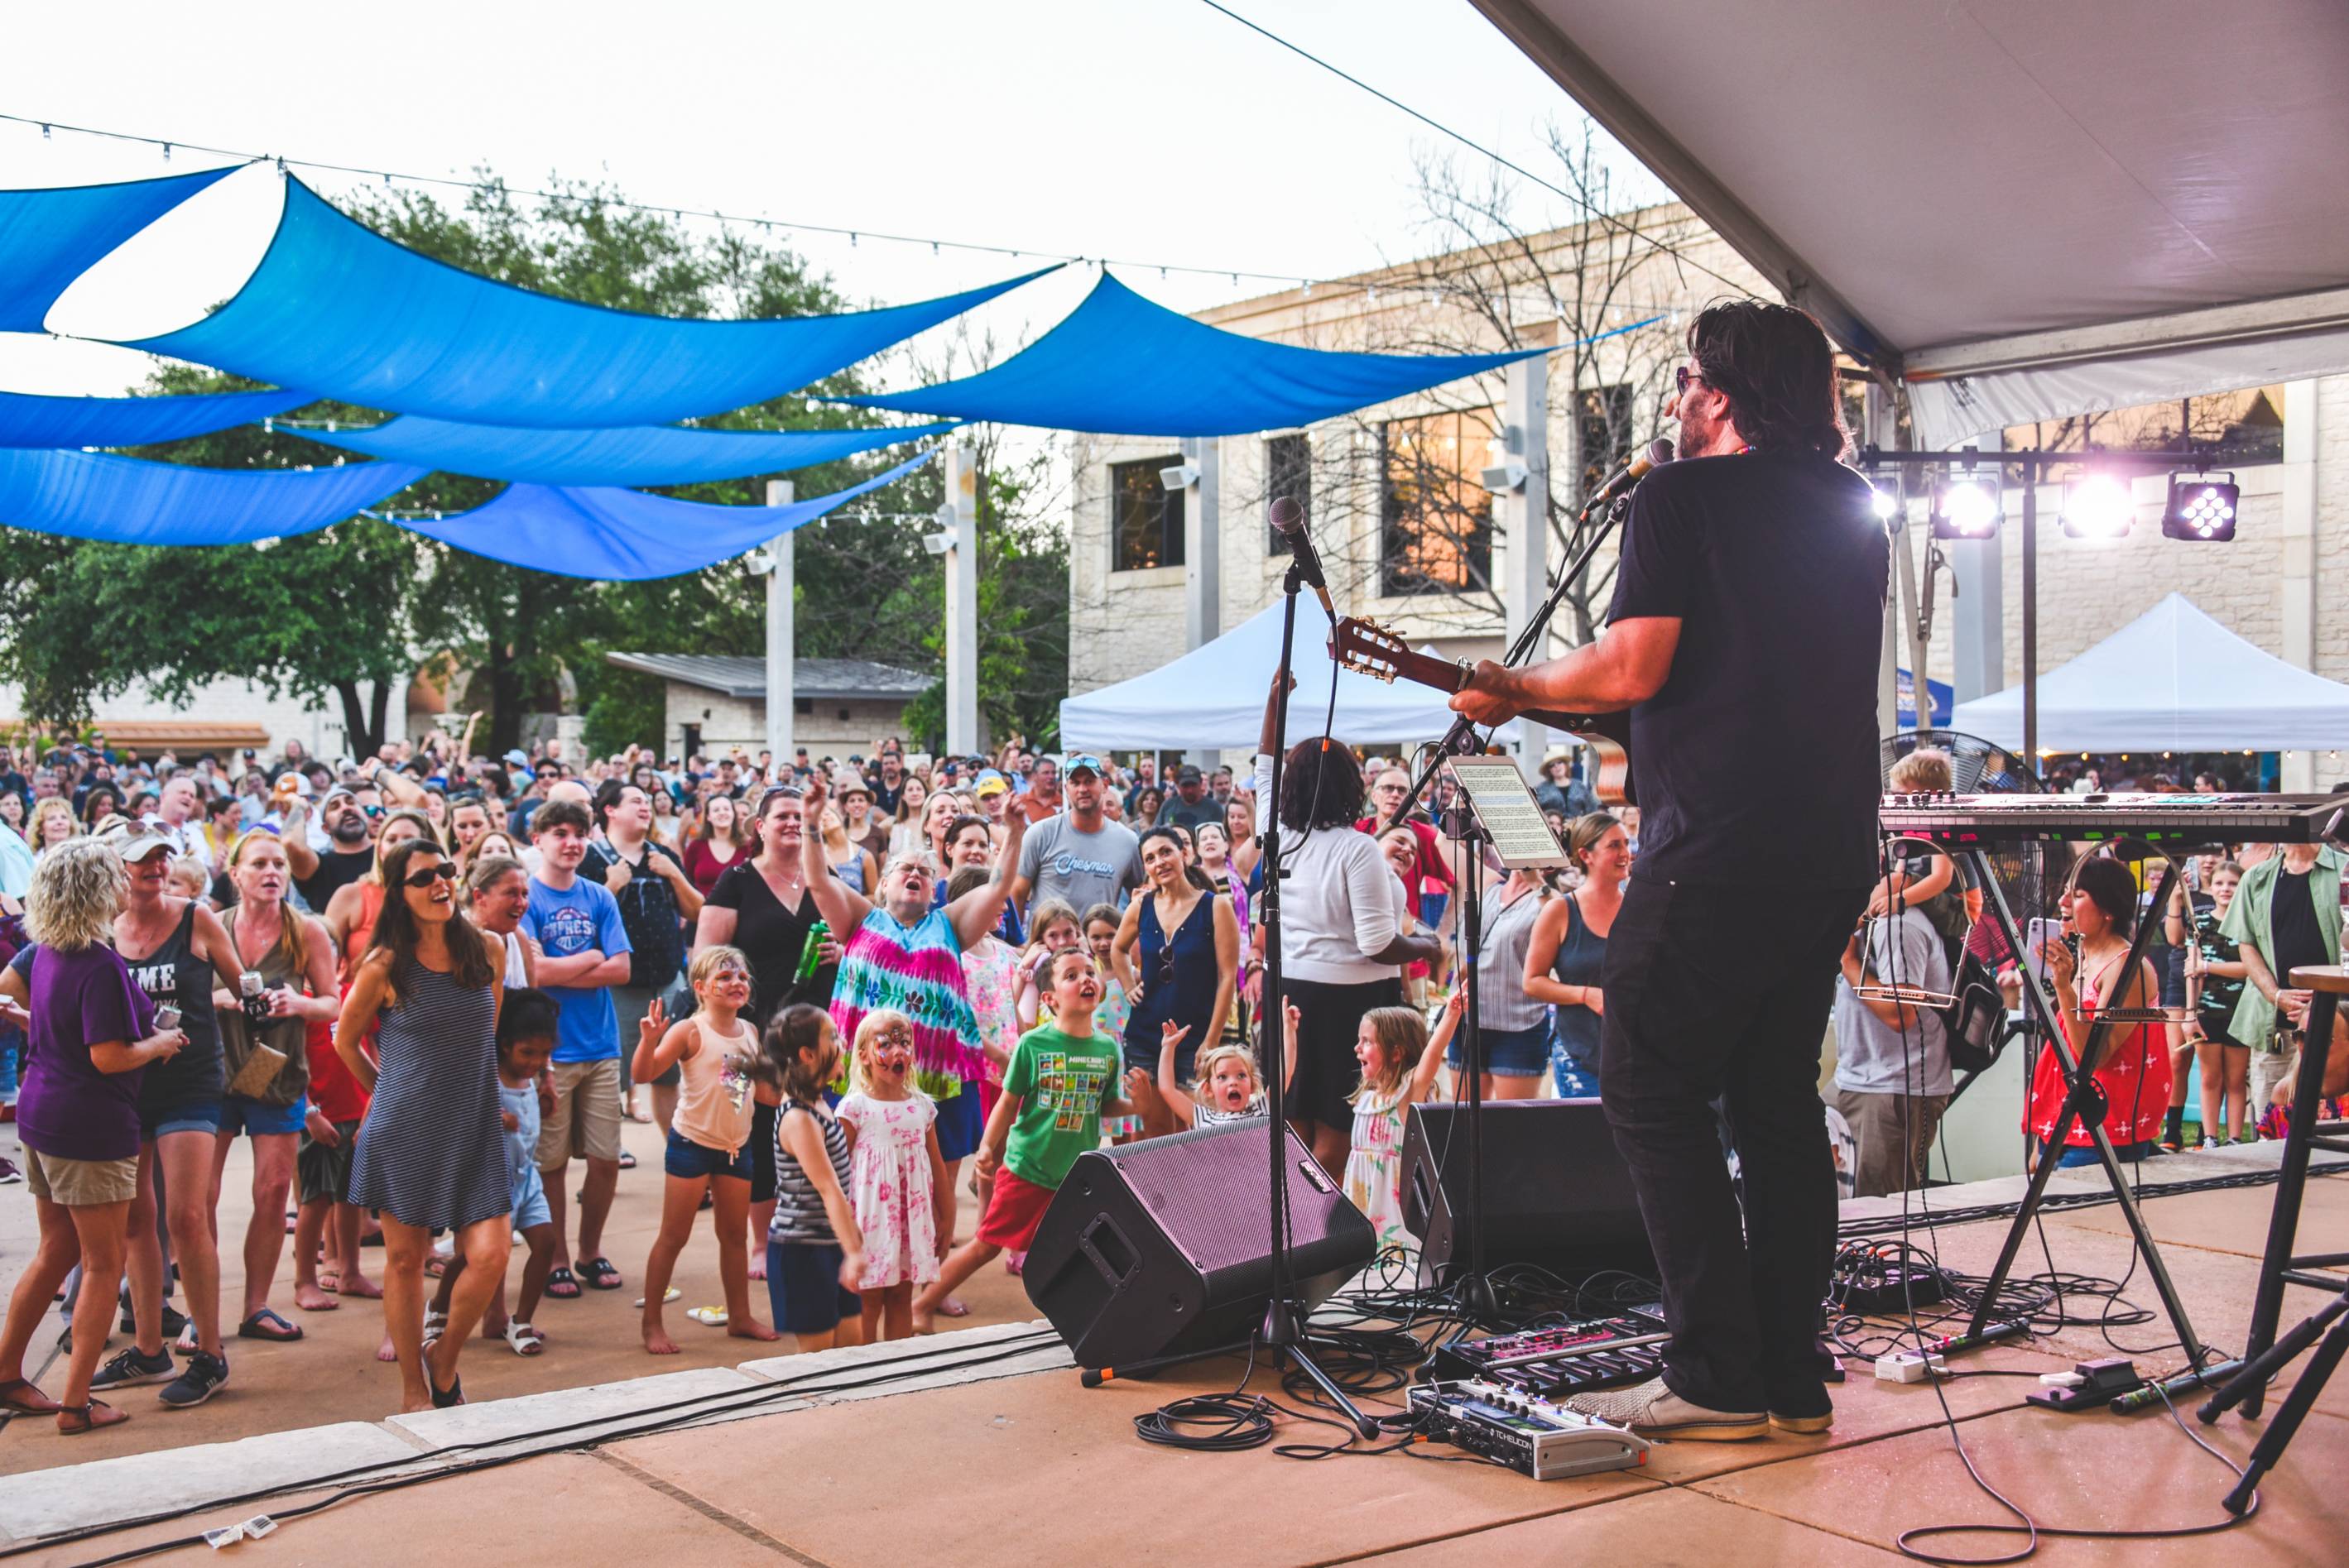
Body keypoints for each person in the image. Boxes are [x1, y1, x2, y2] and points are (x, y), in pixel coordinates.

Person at [1448, 300, 1886, 1441]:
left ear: (1723, 392)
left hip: (1720, 848)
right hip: (1828, 842)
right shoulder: (1849, 506)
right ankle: (1785, 1371)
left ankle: (1711, 1371)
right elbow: (1740, 678)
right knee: (1773, 1101)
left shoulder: (1680, 496)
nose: (1675, 394)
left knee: (1644, 1082)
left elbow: (1636, 661)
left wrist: (1521, 687)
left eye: (1688, 375)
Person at [0, 838, 185, 1435]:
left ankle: (7, 1371)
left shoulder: (46, 949)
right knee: (104, 1263)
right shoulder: (100, 962)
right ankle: (77, 1401)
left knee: (55, 1249)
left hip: (43, 1113)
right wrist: (160, 1043)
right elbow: (109, 1056)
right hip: (91, 1124)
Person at [799, 769, 1025, 1220]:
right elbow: (820, 881)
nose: (916, 875)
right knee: (859, 1175)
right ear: (883, 884)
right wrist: (810, 824)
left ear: (934, 886)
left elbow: (999, 884)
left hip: (937, 1070)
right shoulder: (860, 919)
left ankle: (929, 1281)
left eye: (924, 870)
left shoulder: (950, 922)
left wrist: (1016, 833)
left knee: (934, 1176)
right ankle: (861, 1267)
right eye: (905, 869)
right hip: (862, 1071)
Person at [335, 836, 510, 1412]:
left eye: (446, 871)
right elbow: (344, 1039)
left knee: (491, 1255)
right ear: (397, 892)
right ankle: (414, 1389)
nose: (440, 883)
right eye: (423, 877)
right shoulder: (384, 964)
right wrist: (385, 1090)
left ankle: (444, 1360)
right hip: (404, 1127)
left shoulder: (488, 948)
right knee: (406, 1261)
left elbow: (485, 1035)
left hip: (473, 1122)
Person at [1251, 676, 1439, 1175]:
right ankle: (1326, 1245)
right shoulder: (1356, 849)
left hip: (1288, 992)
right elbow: (1377, 943)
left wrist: (1274, 702)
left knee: (1292, 1122)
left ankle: (1293, 1241)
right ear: (1351, 788)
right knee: (1339, 1128)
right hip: (1349, 1002)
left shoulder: (1275, 832)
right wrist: (1429, 944)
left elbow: (1265, 766)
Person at [96, 819, 251, 1409]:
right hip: (127, 1083)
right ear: (118, 865)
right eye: (143, 859)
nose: (156, 867)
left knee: (187, 1216)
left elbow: (242, 984)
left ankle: (210, 1353)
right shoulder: (103, 928)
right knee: (137, 1218)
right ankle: (151, 1345)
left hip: (190, 1081)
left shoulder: (195, 917)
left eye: (163, 856)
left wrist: (255, 994)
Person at [913, 948, 1134, 1332]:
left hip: (1075, 1174)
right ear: (1048, 998)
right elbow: (1007, 1102)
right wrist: (986, 1147)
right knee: (987, 1244)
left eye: (1089, 973)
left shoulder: (1107, 1049)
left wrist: (1139, 1103)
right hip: (1028, 1166)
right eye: (1071, 975)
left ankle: (1091, 1321)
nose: (1085, 979)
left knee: (1084, 1247)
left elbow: (1108, 1104)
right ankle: (924, 1303)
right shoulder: (1033, 1046)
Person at [209, 832, 341, 1343]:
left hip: (278, 1073)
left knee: (270, 1193)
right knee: (202, 1197)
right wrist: (225, 999)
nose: (272, 873)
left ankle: (256, 1307)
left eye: (280, 865)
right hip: (217, 1073)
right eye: (259, 864)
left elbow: (332, 1002)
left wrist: (297, 1004)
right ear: (236, 874)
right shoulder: (212, 925)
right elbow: (194, 991)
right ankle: (204, 1316)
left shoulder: (304, 930)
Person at [630, 947, 779, 1355]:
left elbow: (762, 1095)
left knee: (734, 1236)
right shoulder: (690, 1031)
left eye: (742, 977)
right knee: (673, 1236)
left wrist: (792, 1070)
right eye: (725, 976)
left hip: (736, 1148)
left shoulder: (749, 1032)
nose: (737, 983)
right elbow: (643, 1073)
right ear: (700, 987)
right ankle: (652, 1323)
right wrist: (648, 1041)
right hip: (692, 1145)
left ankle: (739, 1316)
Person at [522, 798, 633, 1300]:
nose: (571, 842)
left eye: (579, 833)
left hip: (601, 1045)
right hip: (549, 1051)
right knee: (551, 1161)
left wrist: (569, 966)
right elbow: (533, 973)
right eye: (559, 833)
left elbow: (623, 969)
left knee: (606, 1157)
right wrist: (592, 956)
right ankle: (557, 1256)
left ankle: (590, 1250)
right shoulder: (526, 897)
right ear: (538, 839)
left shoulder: (599, 897)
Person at [426, 989, 557, 1358]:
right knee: (470, 1257)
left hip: (525, 1179)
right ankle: (438, 1305)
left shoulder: (532, 1079)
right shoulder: (488, 1079)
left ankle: (522, 1320)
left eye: (544, 1054)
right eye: (527, 1053)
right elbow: (457, 1112)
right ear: (503, 1046)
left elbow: (532, 1119)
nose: (535, 1062)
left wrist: (542, 1097)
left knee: (546, 1243)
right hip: (487, 1183)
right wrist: (496, 1118)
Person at [2031, 856, 2170, 1167]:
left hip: (2102, 1124)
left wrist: (2064, 987)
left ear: (2108, 910)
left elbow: (2093, 1055)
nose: (2063, 901)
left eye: (2078, 895)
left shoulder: (2126, 967)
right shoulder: (2083, 954)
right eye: (2065, 891)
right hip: (2064, 1118)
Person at [1306, 993, 1457, 1257]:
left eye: (1367, 1042)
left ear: (1396, 1052)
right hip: (1362, 1191)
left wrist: (1453, 1013)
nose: (1357, 1048)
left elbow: (1432, 1055)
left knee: (1395, 1256)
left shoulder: (1406, 1093)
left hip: (1392, 1198)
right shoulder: (1367, 1098)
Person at [585, 781, 698, 1132]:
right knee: (611, 1076)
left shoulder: (662, 856)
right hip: (617, 986)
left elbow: (698, 911)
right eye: (635, 800)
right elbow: (580, 924)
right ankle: (610, 1155)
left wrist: (674, 874)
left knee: (668, 1076)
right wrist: (612, 887)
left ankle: (675, 1156)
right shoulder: (591, 859)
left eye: (647, 800)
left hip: (667, 980)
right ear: (610, 810)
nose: (645, 806)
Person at [1111, 827, 1237, 1120]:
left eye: (1166, 852)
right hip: (1145, 1036)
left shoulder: (1215, 906)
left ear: (1183, 853)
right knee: (1155, 1135)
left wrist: (1212, 1039)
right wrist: (1129, 984)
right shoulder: (1141, 906)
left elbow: (1228, 976)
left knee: (1196, 1131)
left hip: (1195, 1037)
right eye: (1151, 858)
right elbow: (1117, 949)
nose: (1160, 862)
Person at [759, 1004, 865, 1351]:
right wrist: (854, 1251)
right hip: (802, 1252)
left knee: (851, 1351)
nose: (842, 1042)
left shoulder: (819, 1105)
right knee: (820, 1365)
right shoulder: (798, 1119)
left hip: (829, 1243)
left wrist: (848, 1242)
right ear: (807, 1054)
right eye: (832, 1037)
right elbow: (829, 1189)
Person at [1832, 894, 1952, 1197]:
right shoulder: (1866, 924)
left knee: (1877, 1203)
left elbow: (1901, 1014)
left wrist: (1848, 962)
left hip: (1893, 1085)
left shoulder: (1898, 926)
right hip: (1854, 1077)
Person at [838, 1009, 946, 1343]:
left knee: (901, 1295)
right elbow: (838, 1173)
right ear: (863, 1055)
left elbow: (937, 1167)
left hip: (910, 1223)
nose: (898, 1052)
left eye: (905, 1043)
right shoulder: (855, 1109)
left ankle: (897, 1369)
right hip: (869, 1221)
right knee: (868, 1299)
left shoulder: (922, 1108)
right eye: (885, 1044)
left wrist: (946, 1218)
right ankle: (865, 1370)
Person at [2218, 837, 2343, 1124]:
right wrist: (2275, 995)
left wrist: (2326, 1000)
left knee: (2332, 1124)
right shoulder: (2257, 877)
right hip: (2272, 1022)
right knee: (2271, 1120)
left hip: (2334, 1024)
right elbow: (2246, 944)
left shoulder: (2344, 870)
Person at [1525, 813, 1630, 1097]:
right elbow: (1532, 981)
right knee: (1590, 1138)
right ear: (1586, 855)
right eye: (1614, 846)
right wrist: (1586, 995)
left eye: (1627, 844)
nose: (1625, 854)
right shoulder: (1560, 911)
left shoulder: (1639, 907)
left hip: (1638, 1056)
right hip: (1580, 1054)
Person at [1447, 865, 1554, 1102]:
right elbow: (1442, 843)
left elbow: (1565, 916)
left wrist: (1536, 881)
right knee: (1465, 1123)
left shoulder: (1549, 898)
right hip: (1467, 1019)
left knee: (1512, 1126)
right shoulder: (1488, 882)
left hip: (1519, 1026)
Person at [1011, 756, 1140, 916]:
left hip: (1100, 940)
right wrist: (1020, 941)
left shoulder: (1128, 841)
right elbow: (1018, 893)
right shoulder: (1040, 834)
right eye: (1075, 783)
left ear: (1105, 785)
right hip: (1049, 940)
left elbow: (1141, 897)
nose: (1082, 789)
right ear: (1066, 789)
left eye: (1089, 781)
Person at [2184, 861, 2251, 1145]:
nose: (2226, 889)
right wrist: (2190, 1013)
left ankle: (2235, 1137)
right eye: (2220, 883)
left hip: (2240, 1011)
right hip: (2207, 1010)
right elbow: (2192, 970)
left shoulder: (2249, 922)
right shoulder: (2199, 924)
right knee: (2211, 1077)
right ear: (2210, 888)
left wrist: (2208, 967)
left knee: (2236, 1079)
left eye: (2233, 884)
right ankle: (2210, 1136)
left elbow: (2250, 967)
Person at [683, 792, 752, 897]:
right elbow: (686, 882)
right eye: (716, 810)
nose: (722, 813)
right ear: (708, 817)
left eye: (726, 809)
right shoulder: (695, 846)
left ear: (733, 814)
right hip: (702, 909)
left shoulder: (747, 846)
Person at [1162, 765, 1222, 834]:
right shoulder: (1168, 806)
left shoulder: (1214, 807)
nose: (1190, 790)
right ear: (1178, 785)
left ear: (1201, 783)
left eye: (1193, 785)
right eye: (1185, 786)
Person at [886, 775, 932, 862]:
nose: (915, 793)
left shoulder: (932, 824)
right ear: (903, 796)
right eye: (910, 790)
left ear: (925, 794)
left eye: (919, 789)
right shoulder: (892, 824)